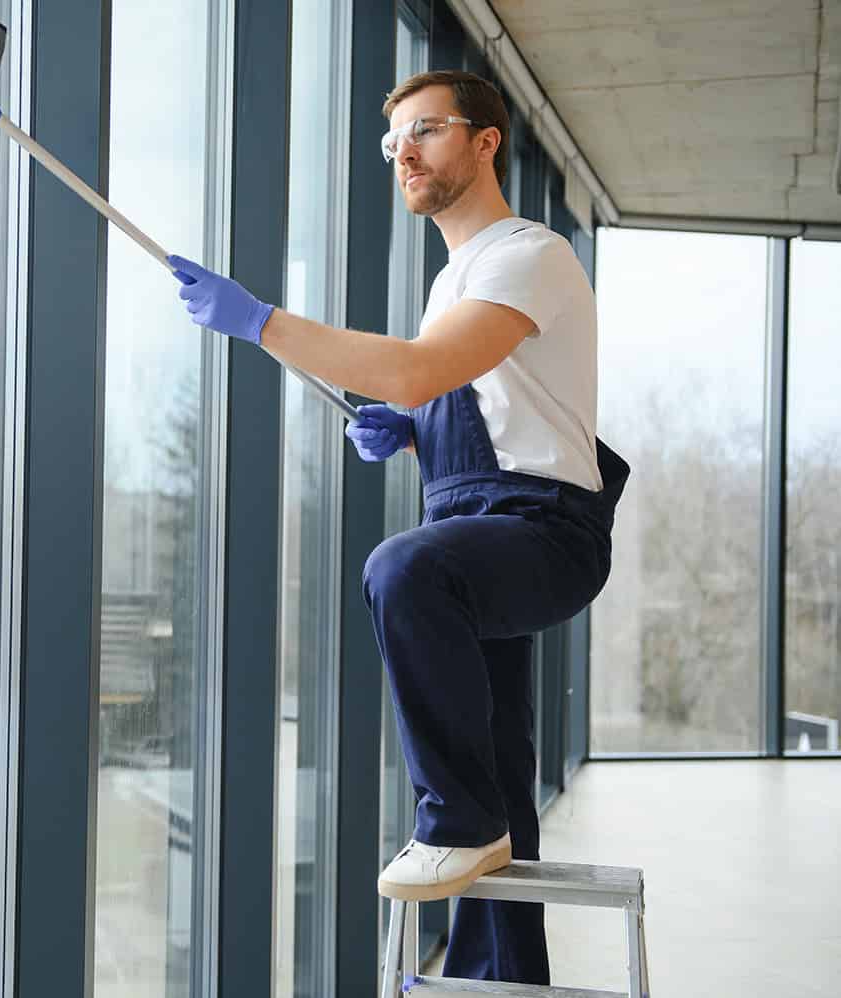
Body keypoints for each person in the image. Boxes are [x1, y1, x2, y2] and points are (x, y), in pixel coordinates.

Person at [167, 70, 628, 986]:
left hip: (544, 532)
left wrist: (262, 323)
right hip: (478, 520)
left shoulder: (527, 253)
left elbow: (422, 370)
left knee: (403, 571)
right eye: (392, 145)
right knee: (496, 760)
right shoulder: (453, 280)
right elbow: (488, 405)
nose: (403, 155)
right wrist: (417, 433)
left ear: (485, 141)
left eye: (424, 132)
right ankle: (500, 977)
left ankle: (453, 823)